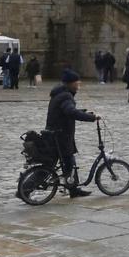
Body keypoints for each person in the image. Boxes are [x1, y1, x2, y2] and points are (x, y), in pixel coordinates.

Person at [46, 69, 99, 198]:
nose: (78, 85)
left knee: (68, 162)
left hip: (56, 134)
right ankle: (73, 189)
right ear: (70, 83)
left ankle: (73, 188)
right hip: (61, 135)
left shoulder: (60, 93)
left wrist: (84, 112)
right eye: (77, 82)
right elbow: (70, 112)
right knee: (64, 162)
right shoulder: (66, 96)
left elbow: (66, 111)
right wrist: (91, 118)